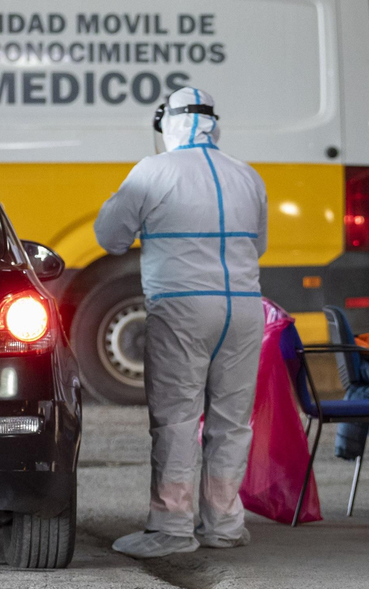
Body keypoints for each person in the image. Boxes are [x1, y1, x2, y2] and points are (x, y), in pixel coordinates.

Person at [94, 87, 268, 558]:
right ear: (215, 123)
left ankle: (172, 527)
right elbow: (260, 245)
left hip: (183, 307)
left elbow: (109, 237)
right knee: (232, 422)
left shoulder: (152, 171)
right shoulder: (247, 175)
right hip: (244, 308)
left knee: (175, 418)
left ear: (164, 124)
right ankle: (224, 524)